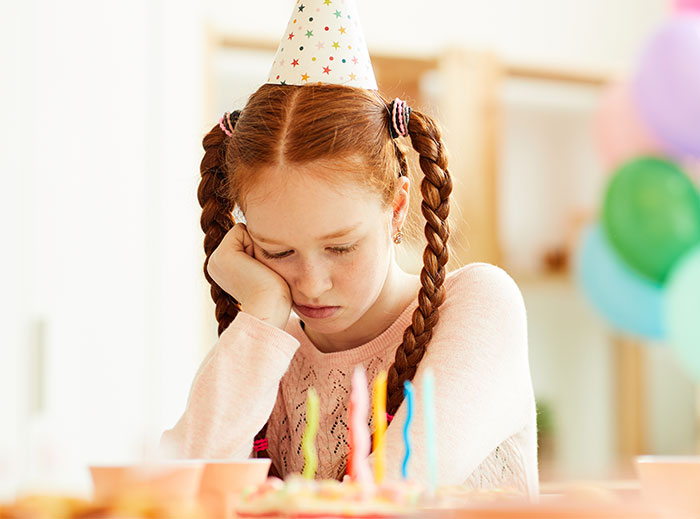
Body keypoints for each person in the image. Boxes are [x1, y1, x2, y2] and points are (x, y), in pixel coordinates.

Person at [160, 0, 538, 498]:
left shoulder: (479, 304)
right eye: (278, 252)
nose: (311, 284)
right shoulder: (268, 349)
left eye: (340, 247)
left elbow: (391, 494)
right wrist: (260, 317)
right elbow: (175, 494)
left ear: (398, 206)